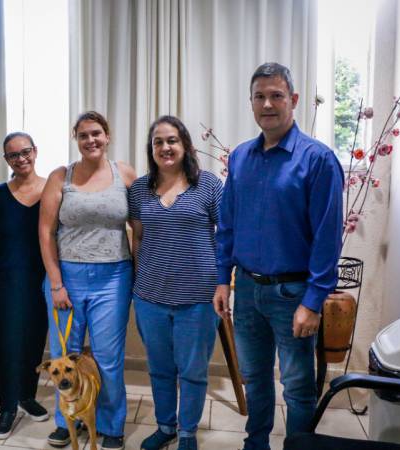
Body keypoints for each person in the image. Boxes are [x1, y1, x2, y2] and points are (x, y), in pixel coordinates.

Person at [213, 62, 344, 450]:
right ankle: (256, 444)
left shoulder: (318, 160)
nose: (267, 104)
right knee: (254, 379)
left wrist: (313, 301)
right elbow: (228, 224)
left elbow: (327, 239)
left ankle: (298, 446)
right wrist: (222, 279)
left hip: (293, 295)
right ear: (251, 102)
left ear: (293, 99)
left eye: (276, 95)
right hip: (247, 290)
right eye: (260, 96)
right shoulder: (240, 157)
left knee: (298, 387)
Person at [39, 111, 136, 450]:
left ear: (107, 136)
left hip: (114, 278)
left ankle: (111, 424)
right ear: (76, 140)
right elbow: (46, 232)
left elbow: (140, 229)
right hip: (67, 278)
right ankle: (67, 421)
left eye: (96, 133)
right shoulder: (60, 176)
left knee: (108, 357)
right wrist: (56, 283)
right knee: (64, 355)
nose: (90, 140)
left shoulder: (124, 174)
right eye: (83, 135)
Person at [129, 116, 222, 450]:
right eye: (158, 142)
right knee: (160, 369)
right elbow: (138, 237)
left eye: (172, 140)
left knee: (193, 371)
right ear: (151, 148)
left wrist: (224, 283)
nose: (165, 147)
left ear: (185, 145)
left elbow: (226, 235)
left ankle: (187, 433)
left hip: (198, 297)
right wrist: (138, 283)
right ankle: (166, 426)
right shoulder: (139, 189)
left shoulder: (208, 185)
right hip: (149, 296)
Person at [0, 132, 50, 439]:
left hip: (43, 280)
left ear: (35, 151)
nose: (21, 159)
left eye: (25, 152)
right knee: (8, 344)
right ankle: (7, 407)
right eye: (13, 155)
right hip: (6, 280)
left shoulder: (52, 189)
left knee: (35, 340)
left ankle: (26, 396)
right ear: (6, 159)